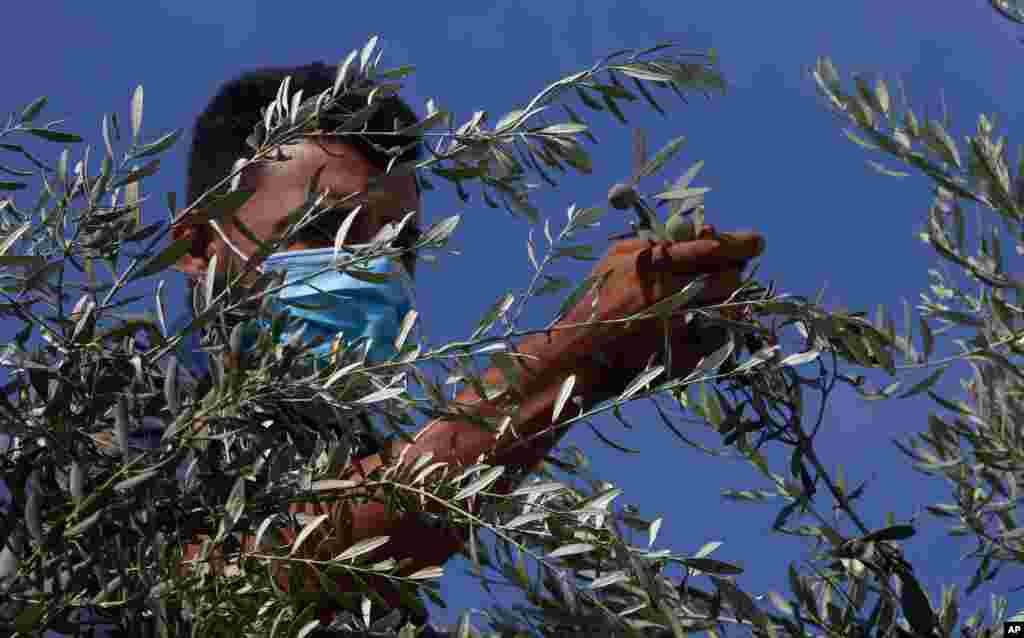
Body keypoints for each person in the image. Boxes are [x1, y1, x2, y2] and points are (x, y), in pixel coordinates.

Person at [78, 61, 765, 636]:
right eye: (323, 230)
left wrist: (614, 357)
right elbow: (215, 590)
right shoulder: (96, 409)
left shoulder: (354, 463)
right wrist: (578, 349)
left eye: (397, 246)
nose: (369, 269)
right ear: (200, 246)